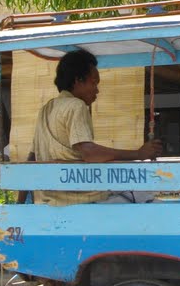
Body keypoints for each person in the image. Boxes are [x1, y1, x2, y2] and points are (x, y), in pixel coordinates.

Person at [32, 49, 162, 205]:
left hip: (51, 198)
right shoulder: (76, 106)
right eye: (94, 83)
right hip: (80, 198)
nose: (97, 90)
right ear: (77, 81)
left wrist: (20, 202)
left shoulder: (46, 109)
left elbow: (32, 156)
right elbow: (90, 153)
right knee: (146, 197)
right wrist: (139, 153)